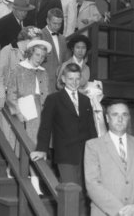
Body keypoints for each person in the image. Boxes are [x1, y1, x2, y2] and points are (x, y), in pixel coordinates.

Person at [30, 63, 97, 215]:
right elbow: (45, 126)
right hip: (65, 154)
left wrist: (98, 151)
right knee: (70, 192)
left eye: (77, 78)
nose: (74, 82)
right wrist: (41, 149)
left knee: (84, 194)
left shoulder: (86, 100)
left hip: (86, 154)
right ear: (64, 79)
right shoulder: (53, 99)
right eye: (70, 78)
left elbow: (91, 128)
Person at [84, 100, 134, 216]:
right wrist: (120, 211)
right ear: (107, 118)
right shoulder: (93, 146)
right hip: (106, 213)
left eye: (124, 114)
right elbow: (92, 184)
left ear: (129, 118)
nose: (120, 119)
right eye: (115, 115)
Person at [0, 26, 42, 178]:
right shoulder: (8, 51)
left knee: (22, 136)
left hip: (25, 100)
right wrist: (1, 95)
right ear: (26, 39)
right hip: (9, 99)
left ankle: (15, 169)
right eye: (35, 42)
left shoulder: (31, 56)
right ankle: (11, 168)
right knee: (8, 135)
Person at [6, 39, 52, 195]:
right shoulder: (18, 69)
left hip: (41, 111)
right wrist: (17, 112)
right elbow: (11, 93)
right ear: (31, 53)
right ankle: (33, 180)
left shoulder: (43, 72)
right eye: (37, 54)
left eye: (42, 56)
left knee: (38, 144)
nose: (39, 58)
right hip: (26, 109)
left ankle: (13, 170)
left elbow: (47, 94)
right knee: (30, 145)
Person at [56, 34, 106, 137]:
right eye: (77, 47)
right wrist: (77, 92)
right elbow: (59, 85)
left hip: (83, 103)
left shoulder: (86, 68)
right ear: (72, 49)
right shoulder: (66, 65)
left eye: (83, 48)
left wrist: (95, 90)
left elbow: (84, 85)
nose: (80, 51)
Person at [41, 8, 70, 93]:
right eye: (54, 23)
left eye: (59, 24)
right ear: (47, 20)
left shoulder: (63, 39)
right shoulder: (39, 35)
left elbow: (64, 61)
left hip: (58, 84)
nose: (57, 26)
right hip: (43, 82)